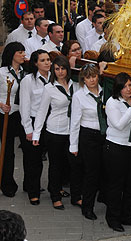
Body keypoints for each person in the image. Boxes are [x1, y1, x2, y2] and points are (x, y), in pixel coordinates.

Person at [32, 55, 81, 209]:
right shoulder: (49, 88)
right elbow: (41, 111)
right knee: (55, 165)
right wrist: (36, 134)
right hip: (55, 131)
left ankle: (76, 196)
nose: (60, 72)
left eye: (63, 69)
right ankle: (55, 196)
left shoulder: (76, 86)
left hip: (72, 131)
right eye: (57, 69)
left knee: (75, 165)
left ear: (68, 69)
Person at [103, 72, 131, 232]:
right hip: (117, 147)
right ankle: (113, 218)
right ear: (118, 88)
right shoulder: (112, 102)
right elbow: (119, 124)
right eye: (125, 86)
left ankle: (128, 216)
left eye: (130, 85)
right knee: (116, 185)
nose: (128, 89)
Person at [69, 63, 106, 221]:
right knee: (91, 173)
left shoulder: (105, 93)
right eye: (88, 77)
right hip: (88, 136)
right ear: (83, 79)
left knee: (104, 170)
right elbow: (75, 122)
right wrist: (73, 145)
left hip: (104, 135)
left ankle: (104, 198)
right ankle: (87, 207)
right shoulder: (79, 96)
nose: (92, 80)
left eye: (94, 76)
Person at [19, 49, 52, 205]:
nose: (47, 63)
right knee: (34, 160)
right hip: (32, 121)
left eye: (48, 60)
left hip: (51, 122)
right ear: (35, 63)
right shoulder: (28, 80)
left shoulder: (54, 77)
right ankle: (33, 190)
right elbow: (24, 106)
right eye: (43, 60)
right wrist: (28, 129)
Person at [0, 42, 27, 197]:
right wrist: (1, 104)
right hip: (5, 115)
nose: (23, 55)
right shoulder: (2, 73)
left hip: (21, 114)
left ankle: (30, 184)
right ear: (12, 54)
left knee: (29, 150)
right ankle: (7, 183)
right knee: (8, 151)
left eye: (23, 52)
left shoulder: (26, 73)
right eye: (20, 52)